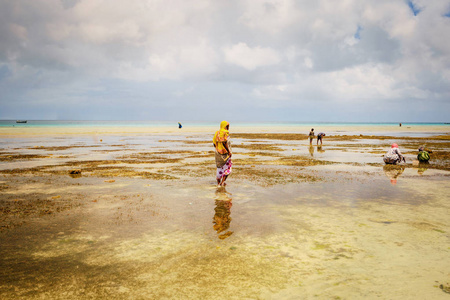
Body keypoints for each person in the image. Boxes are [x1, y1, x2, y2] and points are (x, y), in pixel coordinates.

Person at [213, 120, 232, 187]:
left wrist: (218, 150)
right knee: (228, 168)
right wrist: (229, 151)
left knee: (219, 167)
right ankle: (222, 182)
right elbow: (224, 142)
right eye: (227, 126)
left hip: (217, 153)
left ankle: (218, 182)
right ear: (225, 126)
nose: (228, 127)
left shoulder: (217, 133)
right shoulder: (225, 133)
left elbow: (214, 143)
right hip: (225, 153)